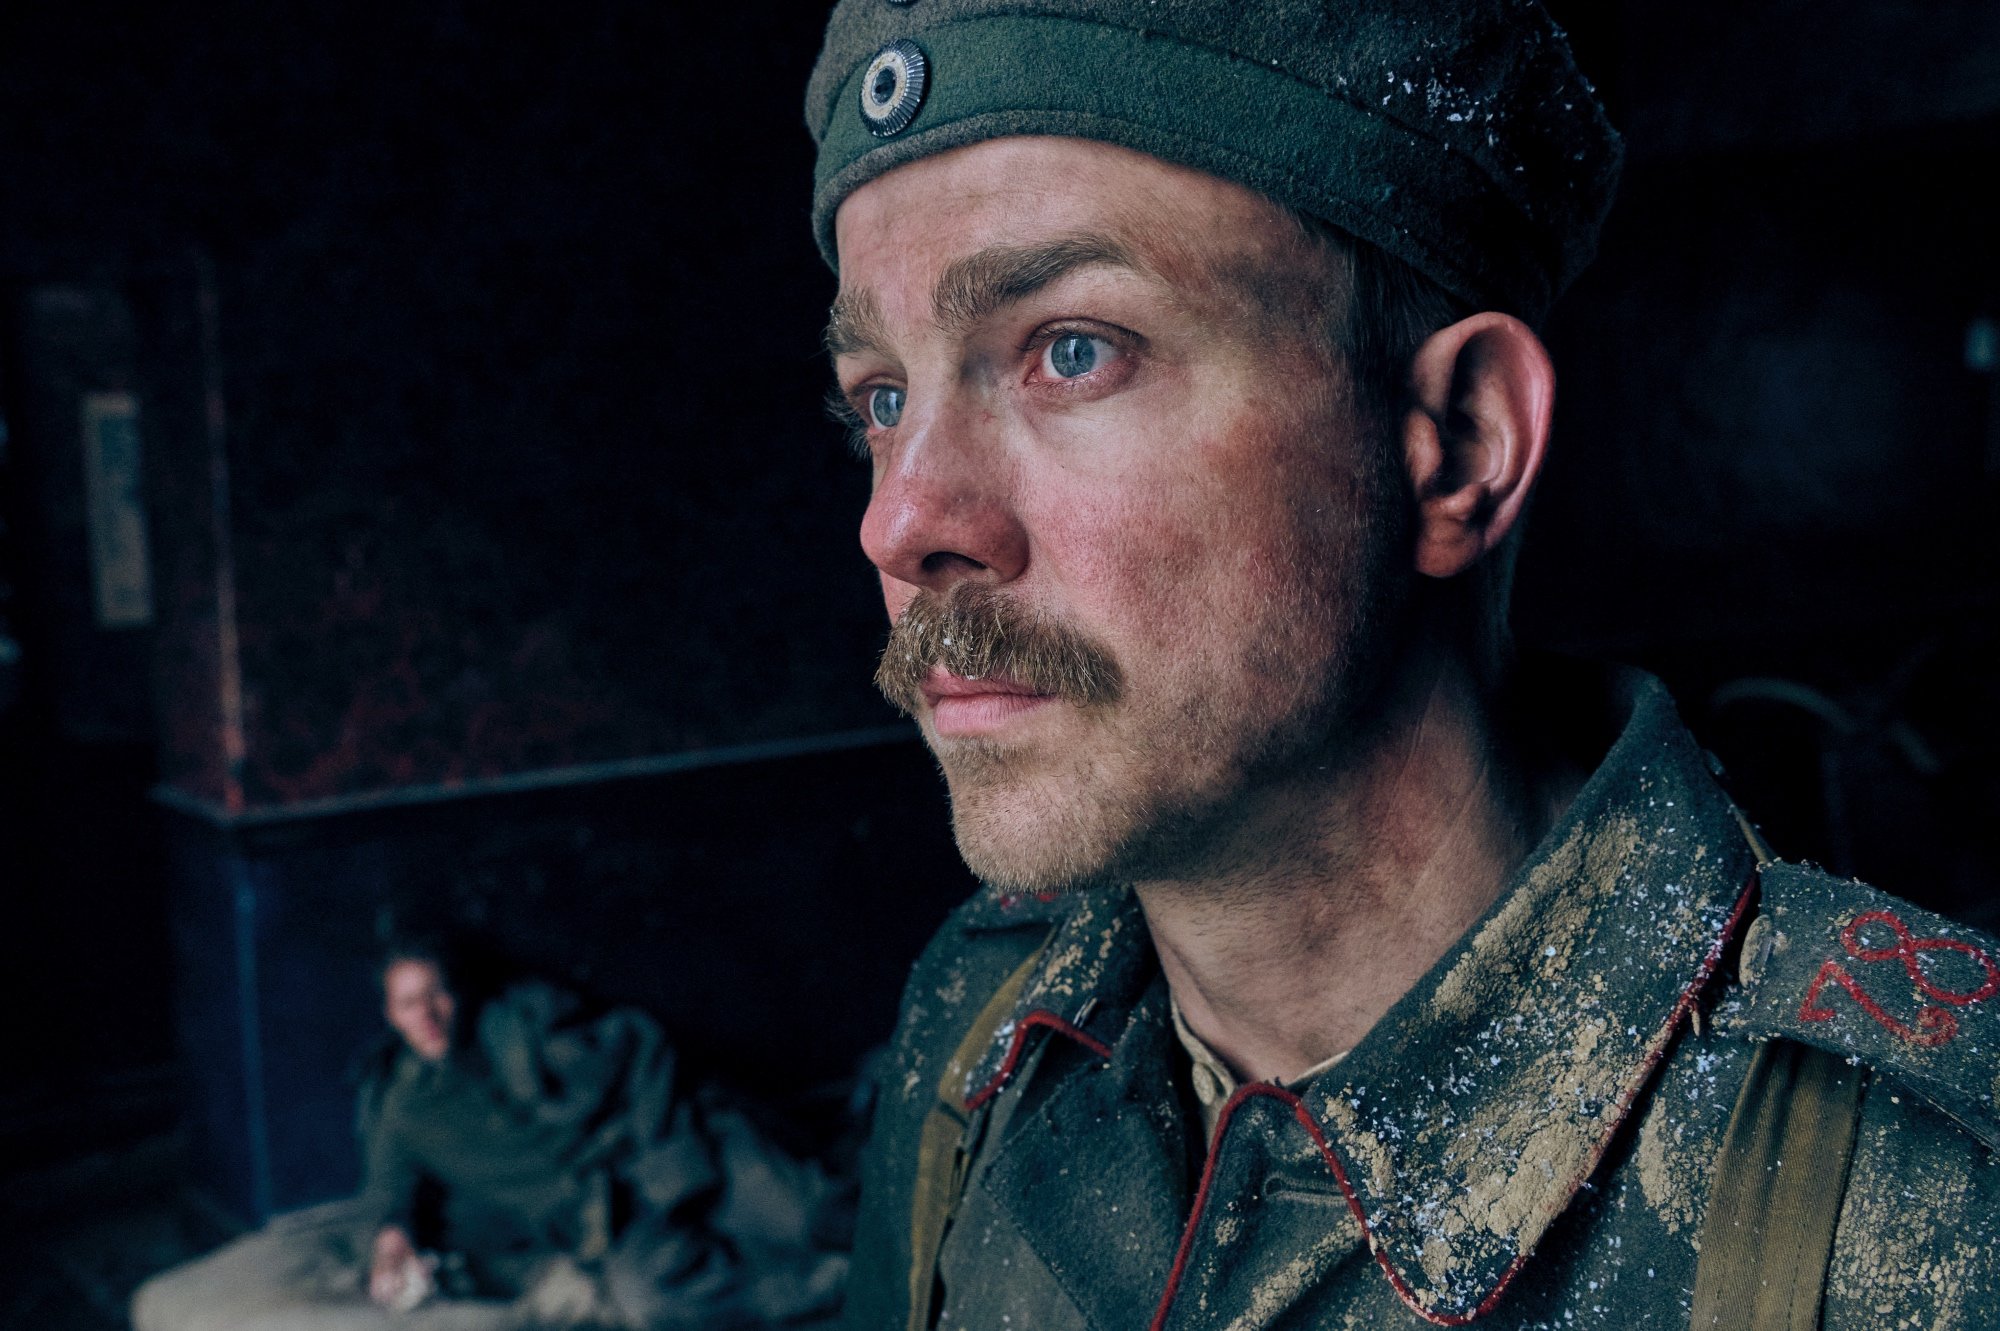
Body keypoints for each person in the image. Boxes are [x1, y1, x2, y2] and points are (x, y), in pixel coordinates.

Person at [804, 2, 2000, 1327]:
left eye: (1071, 351)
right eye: (883, 396)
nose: (901, 521)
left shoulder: (1923, 1198)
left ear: (1459, 437)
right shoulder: (986, 1025)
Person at [133, 938, 848, 1331]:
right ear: (389, 1013)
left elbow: (640, 1047)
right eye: (411, 1003)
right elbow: (389, 1189)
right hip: (604, 1217)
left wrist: (668, 1158)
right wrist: (391, 1238)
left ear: (458, 991)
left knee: (816, 1211)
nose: (430, 1014)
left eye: (438, 993)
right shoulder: (403, 1104)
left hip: (677, 1151)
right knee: (659, 1302)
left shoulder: (520, 1027)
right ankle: (840, 1291)